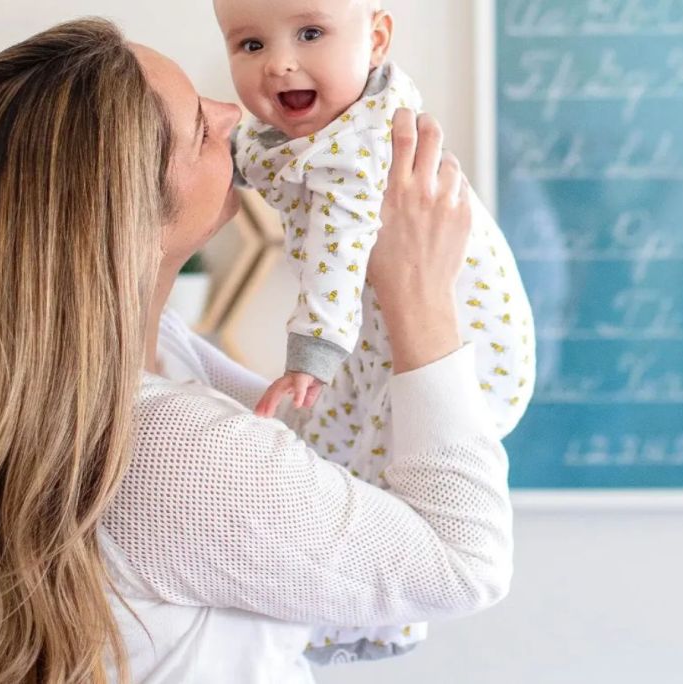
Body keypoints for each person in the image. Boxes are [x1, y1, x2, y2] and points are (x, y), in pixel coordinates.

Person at [0, 18, 513, 683]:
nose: (230, 112)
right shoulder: (172, 450)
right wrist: (418, 294)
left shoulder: (131, 365)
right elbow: (463, 562)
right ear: (128, 215)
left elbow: (318, 458)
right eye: (197, 126)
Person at [214, 0, 534, 660]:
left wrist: (311, 354)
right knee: (333, 450)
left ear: (377, 38)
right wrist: (224, 155)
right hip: (382, 338)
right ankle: (347, 624)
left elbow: (338, 253)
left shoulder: (362, 150)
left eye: (310, 33)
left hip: (462, 352)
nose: (278, 62)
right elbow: (262, 153)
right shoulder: (329, 123)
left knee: (369, 477)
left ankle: (366, 624)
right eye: (248, 45)